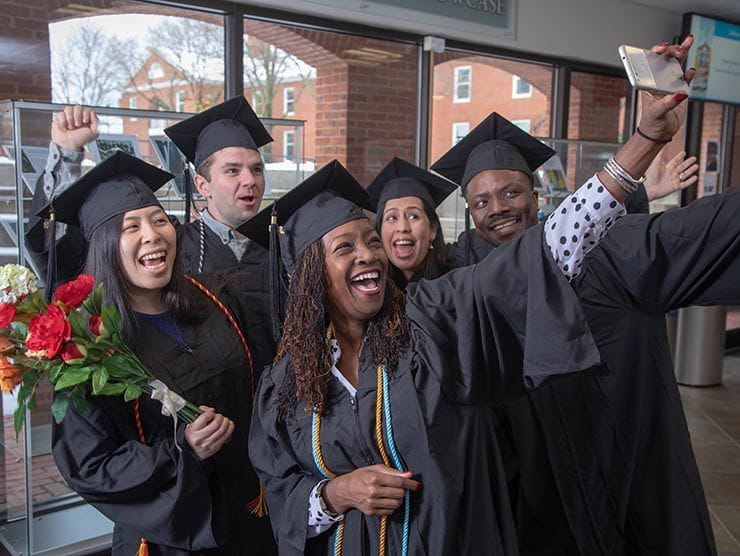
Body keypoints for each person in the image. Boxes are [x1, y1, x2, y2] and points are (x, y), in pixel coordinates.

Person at [240, 135, 659, 554]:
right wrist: (336, 495)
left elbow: (532, 262)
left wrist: (638, 149)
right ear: (312, 277)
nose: (369, 254)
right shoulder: (287, 383)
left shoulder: (429, 324)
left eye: (371, 240)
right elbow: (280, 489)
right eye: (345, 247)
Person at [431, 37, 729, 555]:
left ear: (536, 195)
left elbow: (703, 236)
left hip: (624, 468)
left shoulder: (609, 249)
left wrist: (644, 156)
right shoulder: (464, 279)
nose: (498, 208)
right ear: (469, 215)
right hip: (534, 495)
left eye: (510, 192)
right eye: (481, 201)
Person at [45, 152, 276, 555]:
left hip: (250, 512)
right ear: (105, 246)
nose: (152, 234)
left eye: (158, 220)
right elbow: (92, 465)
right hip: (172, 535)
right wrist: (183, 450)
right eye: (130, 227)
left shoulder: (217, 298)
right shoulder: (89, 348)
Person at [365, 157, 456, 289]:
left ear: (433, 229)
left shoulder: (456, 284)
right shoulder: (370, 288)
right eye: (392, 218)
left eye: (413, 216)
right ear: (379, 231)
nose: (402, 227)